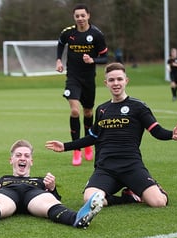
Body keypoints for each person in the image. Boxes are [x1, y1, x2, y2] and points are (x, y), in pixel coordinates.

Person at [46, 62, 177, 208]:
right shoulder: (102, 109)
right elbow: (92, 137)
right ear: (106, 83)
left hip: (131, 166)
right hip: (106, 168)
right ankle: (127, 197)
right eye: (111, 80)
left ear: (126, 81)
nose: (115, 83)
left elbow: (156, 130)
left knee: (158, 202)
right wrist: (66, 146)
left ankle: (150, 188)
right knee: (89, 200)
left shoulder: (138, 107)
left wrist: (170, 134)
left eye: (119, 79)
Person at [0, 139, 104, 231]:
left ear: (31, 161)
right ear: (11, 160)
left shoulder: (40, 180)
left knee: (48, 202)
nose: (22, 158)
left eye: (26, 156)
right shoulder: (3, 179)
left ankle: (78, 218)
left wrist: (52, 188)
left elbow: (56, 198)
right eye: (18, 155)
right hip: (8, 193)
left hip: (33, 194)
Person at [55, 3, 108, 166]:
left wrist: (93, 60)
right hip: (72, 77)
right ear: (74, 17)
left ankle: (87, 146)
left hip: (88, 79)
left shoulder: (96, 34)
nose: (80, 18)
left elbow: (105, 58)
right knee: (74, 111)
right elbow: (60, 44)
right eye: (77, 16)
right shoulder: (68, 32)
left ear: (88, 16)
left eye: (82, 15)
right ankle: (76, 151)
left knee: (88, 112)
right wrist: (58, 60)